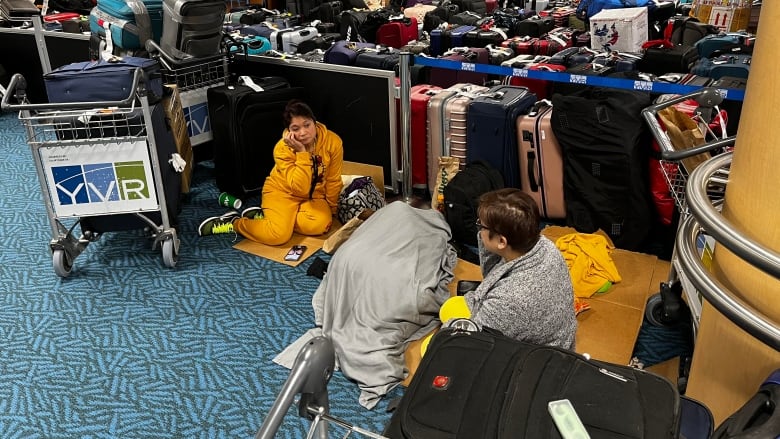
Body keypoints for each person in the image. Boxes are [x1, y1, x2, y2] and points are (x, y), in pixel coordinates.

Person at [424, 188, 577, 353]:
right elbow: (492, 273)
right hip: (545, 332)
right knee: (449, 307)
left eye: (481, 225)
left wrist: (448, 331)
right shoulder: (544, 245)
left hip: (535, 359)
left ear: (502, 241)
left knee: (432, 348)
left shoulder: (510, 300)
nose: (479, 230)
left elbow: (478, 341)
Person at [198, 100, 344, 245]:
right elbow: (299, 187)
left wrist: (332, 210)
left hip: (313, 196)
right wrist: (301, 153)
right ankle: (235, 223)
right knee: (278, 236)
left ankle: (270, 220)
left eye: (307, 125)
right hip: (283, 193)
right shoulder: (282, 149)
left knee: (320, 225)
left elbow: (333, 179)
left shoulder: (333, 142)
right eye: (296, 128)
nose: (303, 132)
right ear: (289, 131)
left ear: (314, 122)